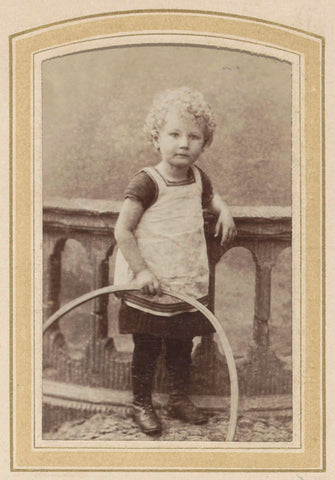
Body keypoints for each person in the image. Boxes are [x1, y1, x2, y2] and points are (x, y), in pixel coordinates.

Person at [114, 87, 236, 436]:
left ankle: (178, 398)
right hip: (151, 284)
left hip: (184, 283)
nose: (184, 143)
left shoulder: (198, 177)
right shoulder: (147, 182)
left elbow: (210, 199)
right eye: (174, 134)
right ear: (157, 139)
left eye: (193, 136)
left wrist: (223, 210)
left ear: (204, 143)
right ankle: (141, 402)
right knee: (148, 347)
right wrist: (141, 271)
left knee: (183, 345)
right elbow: (122, 230)